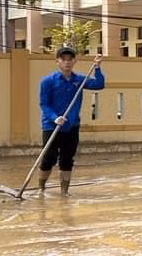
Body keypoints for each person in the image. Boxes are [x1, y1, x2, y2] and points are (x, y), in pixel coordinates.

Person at [38, 46, 106, 195]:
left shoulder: (79, 80)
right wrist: (55, 118)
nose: (67, 63)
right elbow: (44, 104)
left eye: (70, 59)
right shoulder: (47, 81)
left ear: (74, 61)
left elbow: (99, 85)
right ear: (57, 61)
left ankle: (64, 192)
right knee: (49, 158)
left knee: (67, 158)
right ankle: (41, 188)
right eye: (63, 59)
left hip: (71, 125)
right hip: (51, 126)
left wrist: (98, 67)